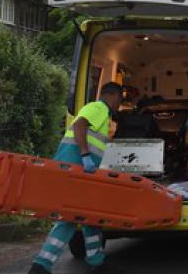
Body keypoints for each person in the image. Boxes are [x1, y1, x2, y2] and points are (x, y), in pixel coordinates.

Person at [28, 82, 123, 274]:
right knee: (70, 218)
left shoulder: (103, 115)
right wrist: (85, 155)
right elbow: (80, 125)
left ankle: (96, 260)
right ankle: (41, 266)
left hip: (78, 172)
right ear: (113, 95)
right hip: (75, 171)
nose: (119, 105)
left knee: (90, 215)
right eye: (120, 100)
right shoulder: (98, 108)